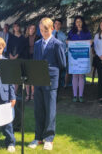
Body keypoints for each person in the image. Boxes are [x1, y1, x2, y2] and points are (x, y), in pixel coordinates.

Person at [28, 18, 66, 151]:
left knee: (50, 110)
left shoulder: (57, 44)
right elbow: (35, 61)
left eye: (45, 30)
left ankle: (49, 139)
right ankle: (38, 137)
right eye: (41, 30)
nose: (43, 33)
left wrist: (50, 69)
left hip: (51, 80)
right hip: (38, 80)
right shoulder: (38, 44)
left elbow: (62, 64)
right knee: (38, 110)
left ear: (51, 29)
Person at [67, 16, 92, 102]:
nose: (78, 23)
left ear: (82, 22)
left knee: (81, 75)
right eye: (77, 21)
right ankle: (74, 95)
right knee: (74, 75)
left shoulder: (86, 32)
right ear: (75, 23)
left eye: (80, 21)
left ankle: (80, 95)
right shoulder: (71, 32)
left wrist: (90, 42)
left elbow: (90, 43)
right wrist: (67, 42)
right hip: (73, 57)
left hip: (83, 57)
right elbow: (68, 41)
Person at [24, 24, 40, 101]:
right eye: (31, 28)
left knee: (33, 77)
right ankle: (28, 94)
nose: (32, 30)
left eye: (34, 29)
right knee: (27, 77)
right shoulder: (25, 38)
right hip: (27, 58)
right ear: (28, 29)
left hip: (35, 58)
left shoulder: (38, 37)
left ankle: (33, 94)